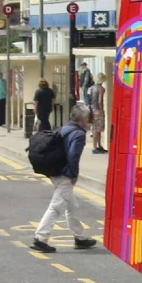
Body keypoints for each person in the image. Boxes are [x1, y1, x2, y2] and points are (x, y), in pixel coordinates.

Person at [30, 103, 96, 253]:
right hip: (65, 174)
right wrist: (73, 174)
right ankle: (40, 238)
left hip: (55, 170)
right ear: (82, 118)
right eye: (87, 118)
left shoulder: (65, 128)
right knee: (57, 206)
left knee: (72, 206)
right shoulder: (79, 134)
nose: (88, 120)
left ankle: (80, 237)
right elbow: (74, 156)